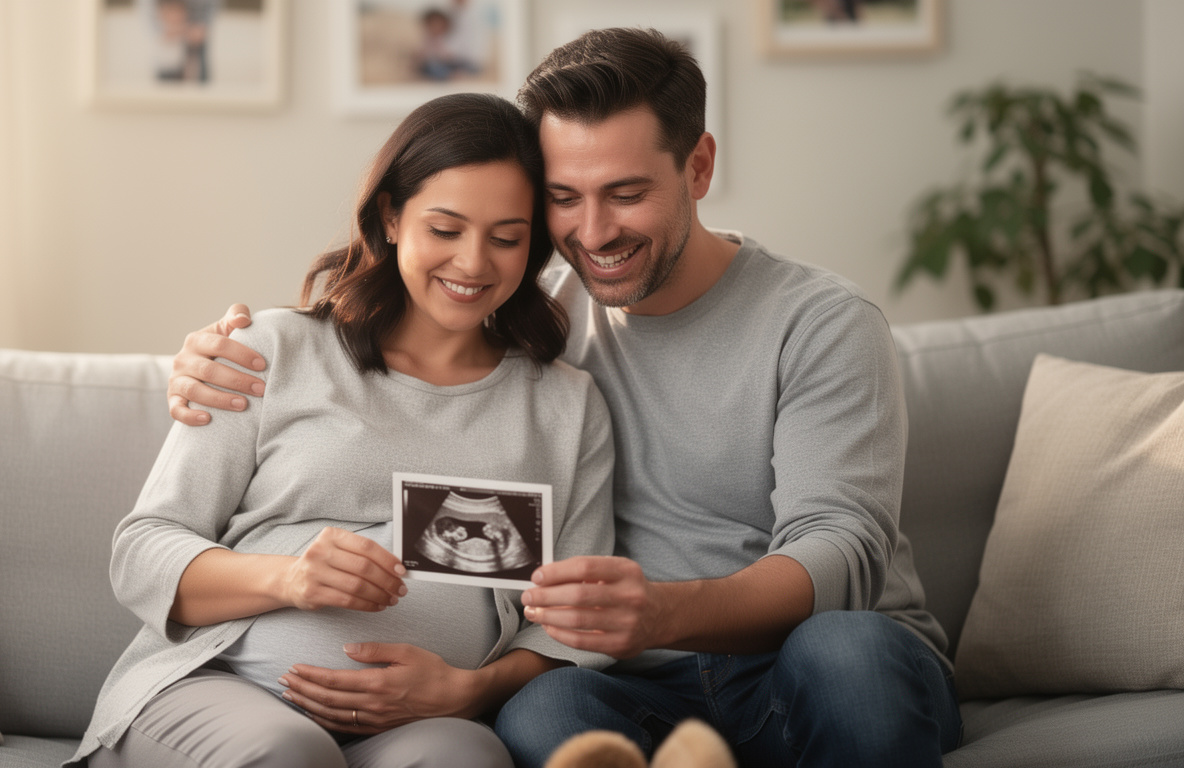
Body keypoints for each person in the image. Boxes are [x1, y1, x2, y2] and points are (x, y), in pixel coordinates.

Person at [166, 27, 963, 768]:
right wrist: (217, 358)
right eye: (564, 197)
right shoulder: (526, 317)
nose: (593, 231)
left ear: (699, 167)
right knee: (545, 711)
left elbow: (844, 547)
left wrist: (666, 613)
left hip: (809, 665)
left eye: (625, 192)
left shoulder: (821, 322)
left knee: (846, 655)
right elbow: (384, 360)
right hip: (630, 685)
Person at [68, 92, 616, 768]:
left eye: (506, 237)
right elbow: (142, 550)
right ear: (390, 216)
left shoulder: (566, 407)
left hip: (415, 729)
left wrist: (471, 690)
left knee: (467, 761)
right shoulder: (271, 351)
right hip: (216, 685)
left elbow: (574, 627)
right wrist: (289, 579)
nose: (474, 264)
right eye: (445, 229)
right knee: (288, 752)